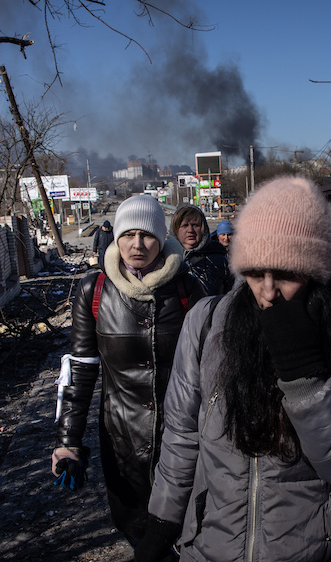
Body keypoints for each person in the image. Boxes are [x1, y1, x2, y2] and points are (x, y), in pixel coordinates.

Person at [136, 176, 331, 562]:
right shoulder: (207, 323)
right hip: (212, 547)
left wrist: (305, 377)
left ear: (316, 272)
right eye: (255, 272)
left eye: (287, 274)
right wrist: (161, 524)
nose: (267, 291)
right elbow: (182, 436)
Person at [52, 195, 205, 549]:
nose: (137, 245)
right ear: (117, 237)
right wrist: (67, 442)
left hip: (183, 442)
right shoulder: (95, 290)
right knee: (140, 534)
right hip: (122, 445)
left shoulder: (187, 290)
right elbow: (80, 368)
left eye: (148, 235)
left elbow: (210, 367)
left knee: (189, 535)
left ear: (162, 238)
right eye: (128, 234)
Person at [170, 205, 233, 296]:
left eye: (195, 225)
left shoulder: (220, 260)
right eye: (184, 225)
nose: (190, 230)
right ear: (175, 230)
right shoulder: (165, 261)